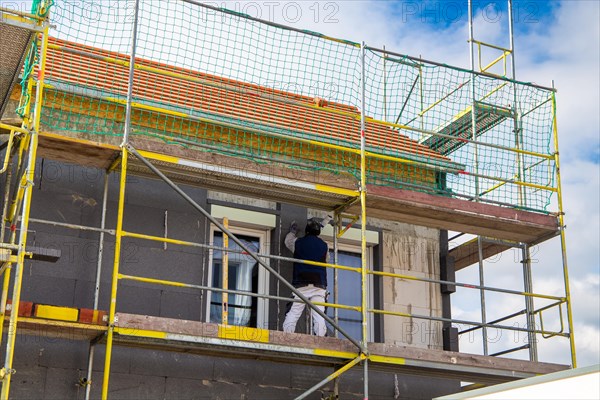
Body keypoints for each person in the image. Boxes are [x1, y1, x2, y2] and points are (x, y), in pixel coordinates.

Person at [282, 215, 332, 336]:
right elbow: (327, 259)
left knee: (293, 313)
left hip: (301, 283)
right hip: (319, 284)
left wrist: (292, 232)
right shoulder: (324, 245)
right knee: (319, 315)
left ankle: (287, 337)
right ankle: (321, 340)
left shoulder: (298, 243)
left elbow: (288, 242)